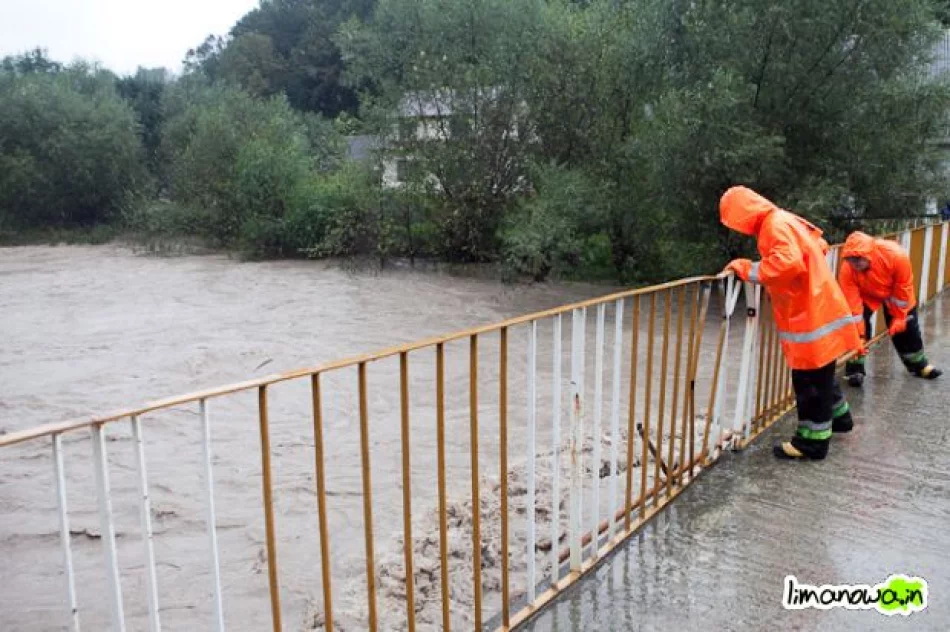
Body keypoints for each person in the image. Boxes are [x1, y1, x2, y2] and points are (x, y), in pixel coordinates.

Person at [720, 186, 860, 461]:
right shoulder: (784, 219)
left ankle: (812, 444)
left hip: (810, 313)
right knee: (822, 375)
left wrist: (747, 269)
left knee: (810, 383)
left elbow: (788, 264)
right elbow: (816, 245)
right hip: (819, 306)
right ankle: (841, 420)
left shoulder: (773, 225)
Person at [839, 231, 942, 385]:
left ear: (869, 254)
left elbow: (903, 287)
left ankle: (919, 365)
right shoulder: (847, 270)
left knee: (907, 328)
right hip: (866, 294)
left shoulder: (896, 256)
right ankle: (855, 370)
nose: (855, 264)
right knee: (854, 329)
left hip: (895, 294)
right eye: (850, 260)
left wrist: (900, 317)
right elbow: (853, 308)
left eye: (858, 259)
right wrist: (859, 336)